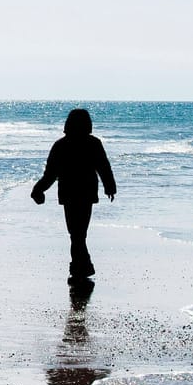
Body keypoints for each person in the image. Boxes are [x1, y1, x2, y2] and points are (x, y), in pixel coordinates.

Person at [30, 108, 117, 282]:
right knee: (79, 232)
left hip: (69, 193)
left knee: (75, 233)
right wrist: (110, 187)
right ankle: (81, 267)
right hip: (86, 192)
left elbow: (50, 174)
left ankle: (80, 267)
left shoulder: (61, 145)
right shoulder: (93, 143)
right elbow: (103, 167)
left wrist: (38, 189)